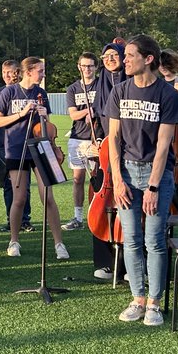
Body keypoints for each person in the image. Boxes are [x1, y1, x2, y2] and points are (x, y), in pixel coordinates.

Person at [104, 36, 178, 327]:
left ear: (148, 59)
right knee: (132, 240)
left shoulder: (168, 95)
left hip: (156, 174)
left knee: (154, 241)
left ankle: (154, 303)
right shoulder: (119, 90)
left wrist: (152, 186)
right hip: (125, 172)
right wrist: (117, 180)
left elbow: (164, 145)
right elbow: (113, 138)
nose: (123, 60)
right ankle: (137, 299)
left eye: (129, 55)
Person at [0, 56, 71, 260]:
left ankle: (59, 243)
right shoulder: (8, 92)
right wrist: (21, 114)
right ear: (28, 72)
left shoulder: (41, 93)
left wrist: (44, 115)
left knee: (48, 198)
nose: (43, 74)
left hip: (40, 148)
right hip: (16, 149)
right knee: (19, 198)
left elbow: (48, 126)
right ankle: (14, 241)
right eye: (40, 71)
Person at [90, 41, 128, 280]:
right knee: (101, 202)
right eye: (106, 56)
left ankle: (128, 264)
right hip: (105, 151)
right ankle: (105, 262)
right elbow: (96, 118)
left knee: (128, 204)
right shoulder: (101, 83)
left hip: (130, 149)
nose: (110, 59)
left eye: (115, 55)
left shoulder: (131, 80)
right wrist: (96, 143)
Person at [0, 61, 31, 234]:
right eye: (4, 72)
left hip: (21, 144)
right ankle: (11, 219)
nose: (6, 75)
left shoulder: (24, 91)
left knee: (23, 184)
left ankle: (25, 219)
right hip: (4, 144)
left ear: (17, 73)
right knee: (8, 185)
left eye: (10, 72)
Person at [63, 53, 103, 231]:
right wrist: (88, 113)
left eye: (91, 66)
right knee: (78, 179)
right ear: (79, 67)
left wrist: (94, 111)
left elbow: (106, 108)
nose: (87, 69)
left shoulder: (102, 84)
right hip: (77, 138)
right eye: (84, 66)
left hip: (97, 138)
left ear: (96, 67)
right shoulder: (73, 88)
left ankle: (97, 214)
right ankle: (78, 217)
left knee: (98, 180)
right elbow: (73, 114)